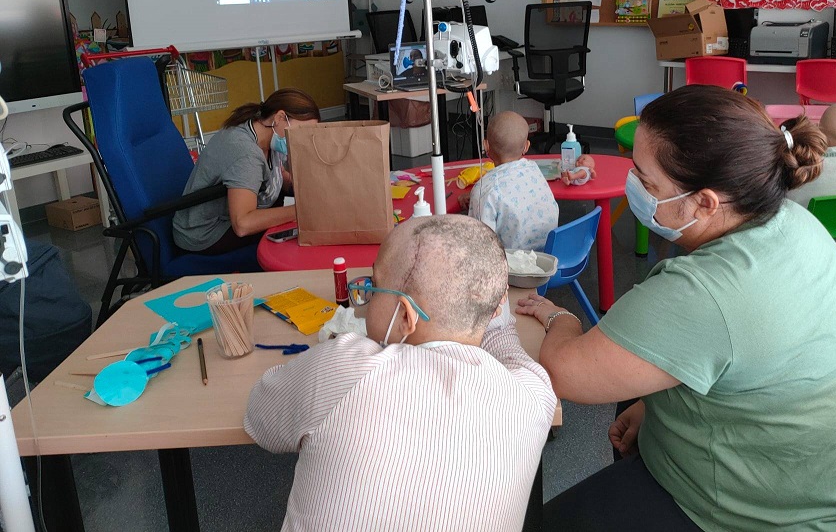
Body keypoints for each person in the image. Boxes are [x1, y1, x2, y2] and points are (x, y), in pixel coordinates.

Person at [516, 86, 836, 532]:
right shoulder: (791, 221)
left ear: (705, 202)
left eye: (646, 181)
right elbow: (761, 357)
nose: (633, 186)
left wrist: (561, 317)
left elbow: (563, 372)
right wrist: (662, 414)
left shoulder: (704, 292)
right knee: (633, 398)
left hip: (783, 519)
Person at [244, 215, 556, 532]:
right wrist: (485, 309)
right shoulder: (533, 396)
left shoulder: (348, 368)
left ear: (406, 316)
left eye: (374, 287)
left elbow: (261, 418)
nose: (366, 299)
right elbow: (508, 345)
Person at [172, 88, 320, 254]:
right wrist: (301, 210)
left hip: (232, 216)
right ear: (279, 118)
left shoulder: (267, 134)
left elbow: (279, 176)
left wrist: (310, 192)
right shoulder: (246, 154)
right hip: (207, 233)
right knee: (302, 236)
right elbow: (243, 224)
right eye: (302, 131)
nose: (303, 139)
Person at [468, 111, 559, 250]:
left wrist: (477, 198)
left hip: (514, 262)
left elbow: (480, 245)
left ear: (486, 146)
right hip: (549, 256)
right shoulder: (533, 169)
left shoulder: (485, 190)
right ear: (526, 146)